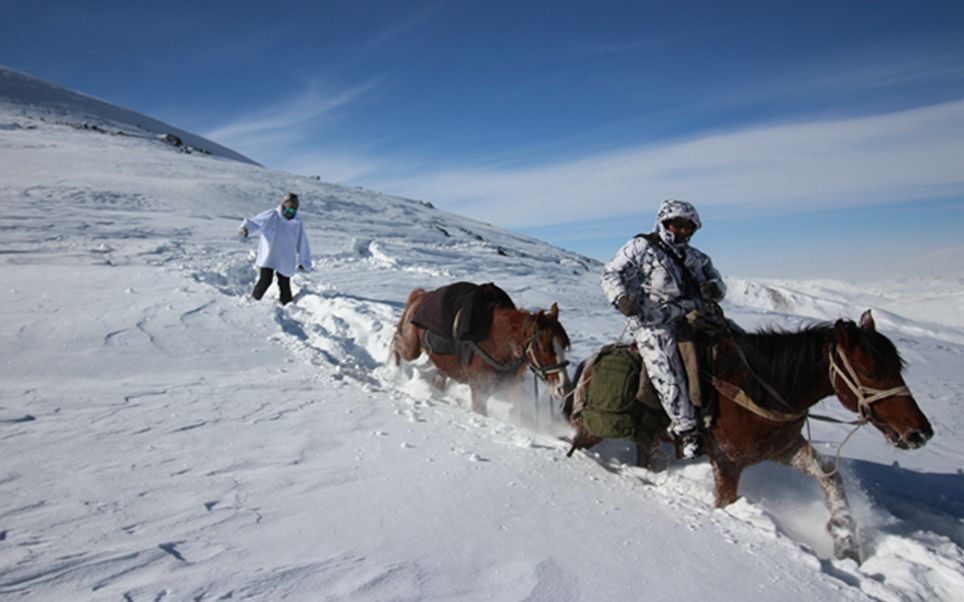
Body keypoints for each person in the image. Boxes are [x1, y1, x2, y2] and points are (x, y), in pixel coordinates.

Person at [601, 199, 726, 459]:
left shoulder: (696, 258)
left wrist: (713, 289)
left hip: (694, 314)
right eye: (676, 224)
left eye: (687, 226)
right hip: (652, 319)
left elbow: (717, 283)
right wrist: (622, 299)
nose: (681, 230)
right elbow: (612, 273)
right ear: (663, 222)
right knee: (666, 367)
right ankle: (687, 430)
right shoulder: (641, 247)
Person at [239, 192, 312, 305]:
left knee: (284, 282)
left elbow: (303, 243)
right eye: (288, 209)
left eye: (293, 211)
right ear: (283, 206)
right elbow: (256, 222)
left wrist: (304, 261)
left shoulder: (297, 223)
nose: (289, 213)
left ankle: (287, 304)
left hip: (285, 257)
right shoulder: (272, 215)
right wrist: (246, 228)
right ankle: (253, 300)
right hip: (270, 255)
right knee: (265, 280)